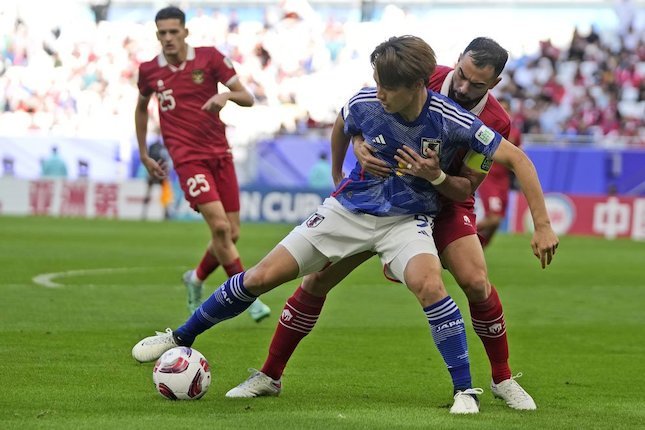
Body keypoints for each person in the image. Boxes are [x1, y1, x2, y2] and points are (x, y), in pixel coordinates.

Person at [133, 35, 558, 414]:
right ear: (453, 64)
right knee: (303, 281)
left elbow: (473, 181)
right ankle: (262, 373)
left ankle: (493, 381)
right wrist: (350, 157)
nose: (464, 87)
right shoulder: (405, 81)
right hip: (356, 205)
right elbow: (351, 118)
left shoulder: (484, 122)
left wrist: (532, 220)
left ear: (494, 84)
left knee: (472, 283)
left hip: (434, 204)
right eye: (462, 75)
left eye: (476, 84)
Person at [134, 6, 271, 321]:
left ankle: (195, 278)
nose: (168, 38)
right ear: (158, 35)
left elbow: (247, 96)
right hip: (186, 158)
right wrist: (144, 152)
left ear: (185, 32)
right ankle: (246, 295)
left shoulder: (209, 58)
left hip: (219, 154)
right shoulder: (149, 71)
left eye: (173, 31)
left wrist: (226, 97)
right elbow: (141, 108)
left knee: (231, 233)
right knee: (220, 227)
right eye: (162, 33)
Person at [476, 97, 522, 247]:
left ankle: (478, 255)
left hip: (503, 180)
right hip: (488, 176)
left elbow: (517, 157)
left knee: (496, 223)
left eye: (507, 109)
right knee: (494, 218)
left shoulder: (515, 132)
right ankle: (459, 239)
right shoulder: (486, 129)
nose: (504, 113)